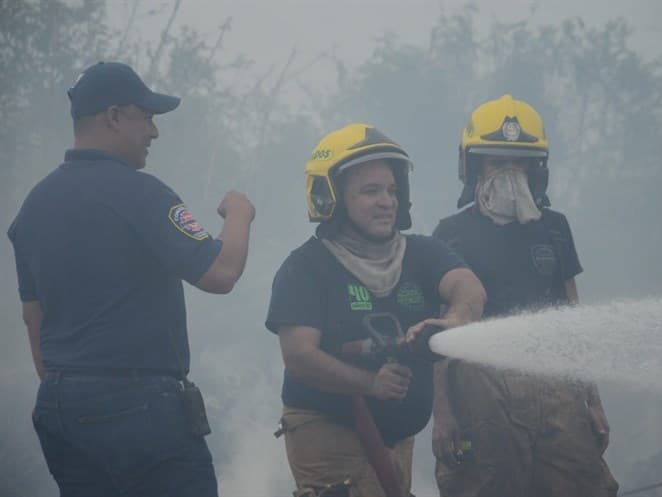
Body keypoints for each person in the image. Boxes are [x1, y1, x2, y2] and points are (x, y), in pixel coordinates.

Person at [7, 61, 255, 497]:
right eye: (147, 117)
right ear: (114, 116)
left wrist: (69, 393)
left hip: (61, 407)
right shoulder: (140, 193)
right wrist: (239, 213)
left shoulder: (32, 209)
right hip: (141, 408)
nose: (154, 132)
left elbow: (34, 320)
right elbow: (221, 273)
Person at [265, 123, 486, 497]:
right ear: (330, 197)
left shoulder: (422, 253)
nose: (387, 201)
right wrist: (370, 383)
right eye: (371, 191)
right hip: (327, 433)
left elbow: (470, 288)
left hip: (396, 441)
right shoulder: (305, 266)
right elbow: (299, 356)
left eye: (392, 190)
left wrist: (450, 322)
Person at [431, 94, 619, 497]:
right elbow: (441, 331)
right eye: (498, 162)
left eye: (519, 162)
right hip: (482, 385)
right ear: (473, 166)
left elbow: (572, 315)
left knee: (582, 485)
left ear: (538, 171)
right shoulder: (451, 233)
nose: (509, 172)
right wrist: (443, 414)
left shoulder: (554, 228)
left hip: (554, 380)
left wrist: (592, 400)